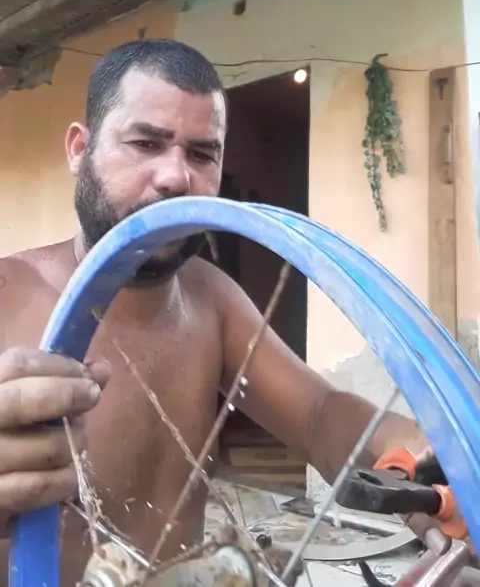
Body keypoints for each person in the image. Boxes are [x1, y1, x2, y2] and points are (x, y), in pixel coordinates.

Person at [0, 39, 427, 583]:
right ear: (79, 150)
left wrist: (428, 455)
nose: (176, 178)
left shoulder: (210, 296)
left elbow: (319, 414)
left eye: (201, 154)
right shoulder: (8, 292)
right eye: (145, 143)